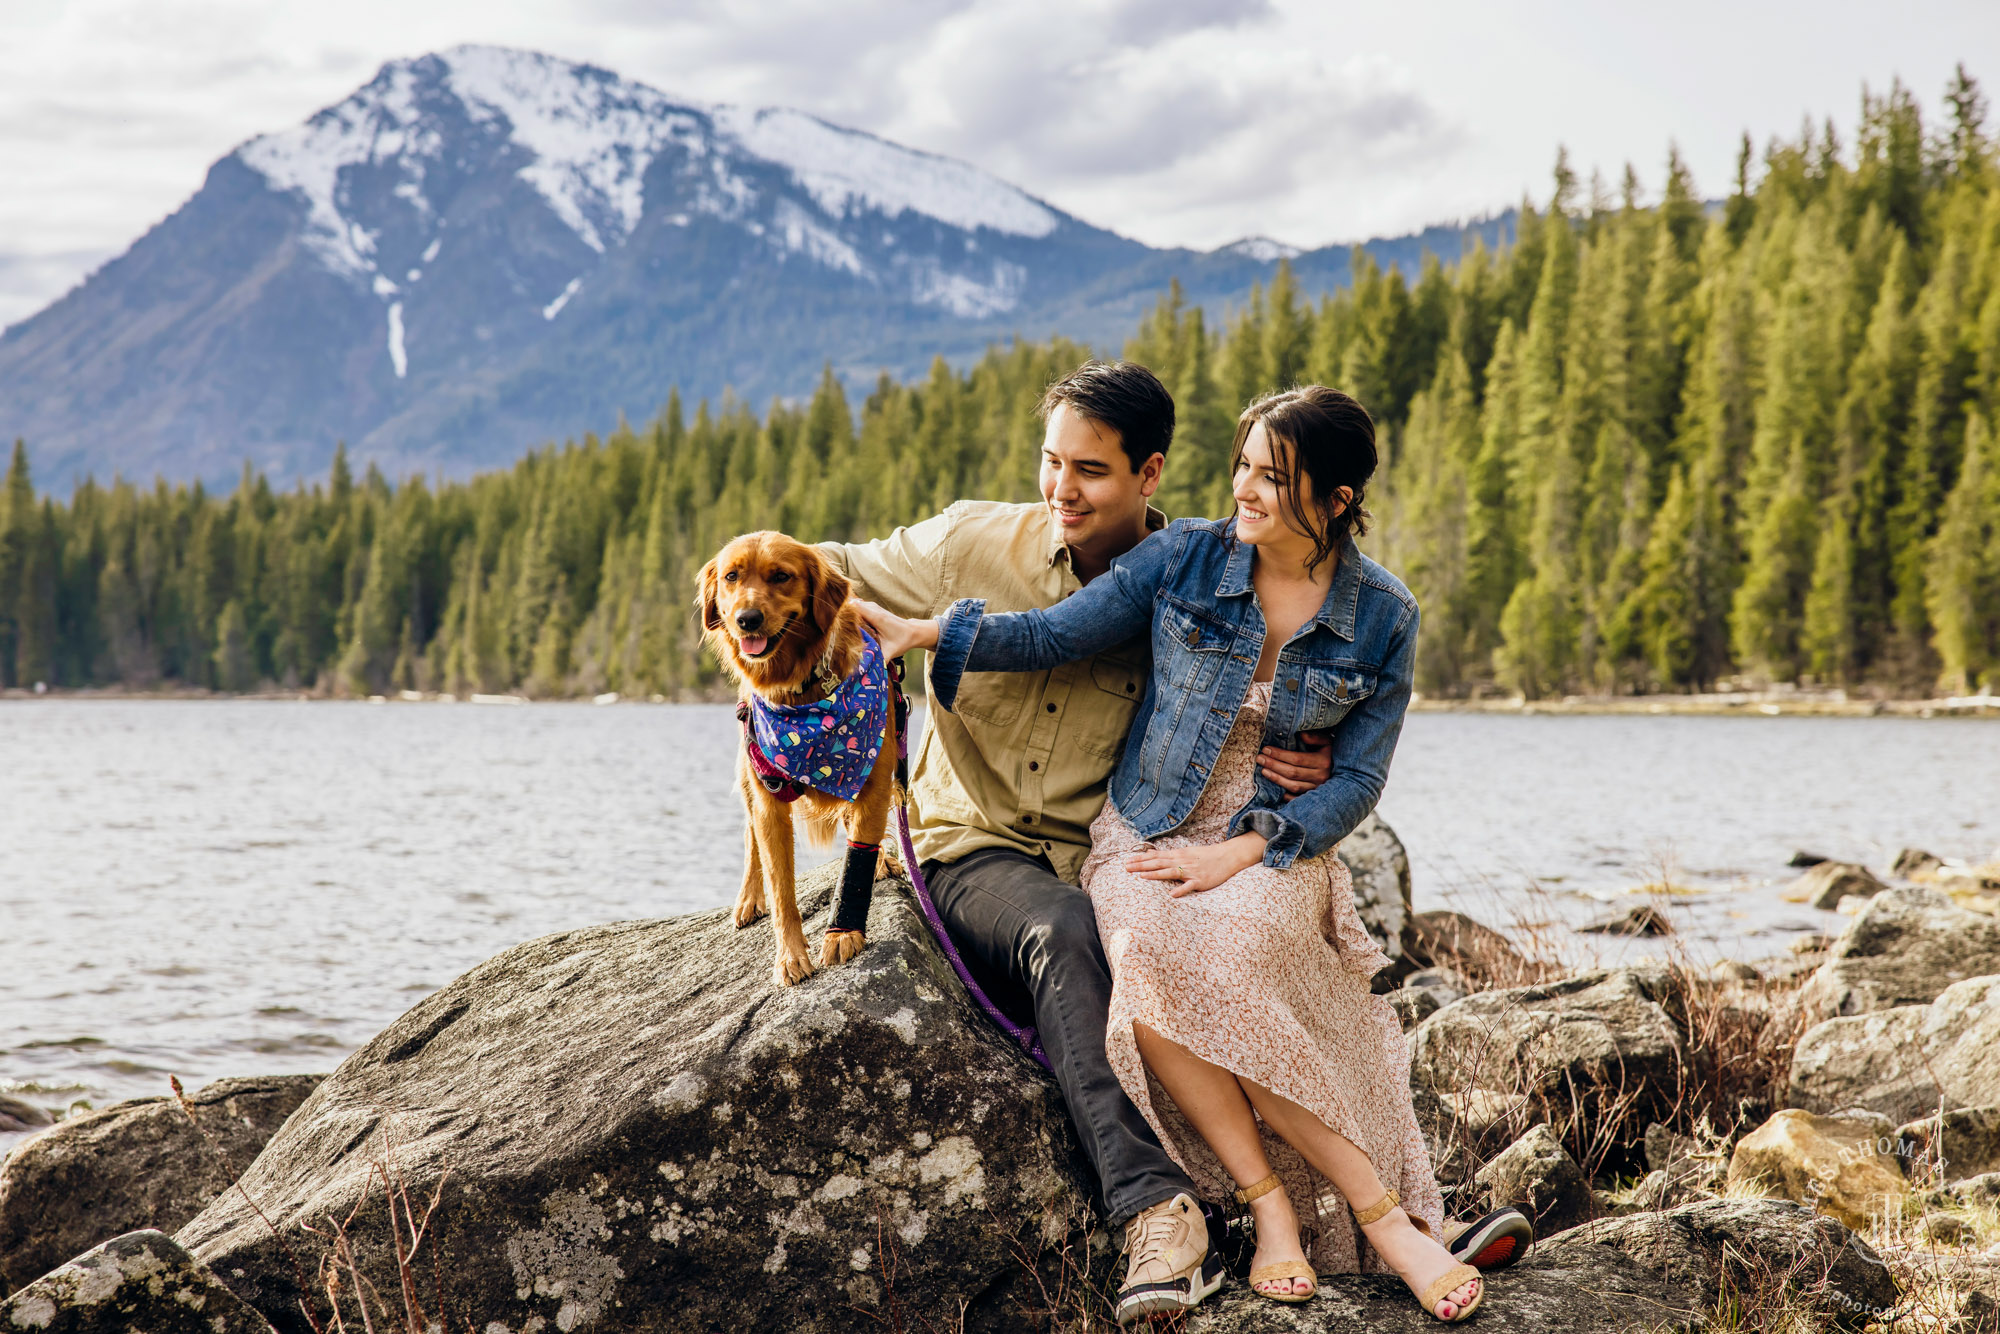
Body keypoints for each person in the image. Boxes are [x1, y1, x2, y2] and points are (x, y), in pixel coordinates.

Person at [861, 386, 1487, 1322]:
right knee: (1143, 965)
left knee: (1234, 960)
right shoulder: (1185, 555)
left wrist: (1243, 852)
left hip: (1269, 839)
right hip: (1145, 827)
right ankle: (1269, 1208)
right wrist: (927, 635)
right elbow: (1053, 634)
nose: (1246, 489)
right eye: (1243, 464)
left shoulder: (1386, 616)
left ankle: (1386, 1219)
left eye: (1274, 477)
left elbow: (1357, 783)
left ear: (1339, 498)